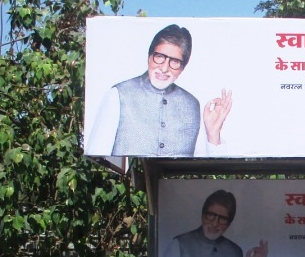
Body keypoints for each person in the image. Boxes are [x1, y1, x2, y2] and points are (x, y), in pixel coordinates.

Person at [86, 24, 233, 157]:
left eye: (174, 62)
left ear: (182, 68)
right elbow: (97, 159)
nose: (164, 68)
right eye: (160, 57)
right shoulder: (118, 95)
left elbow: (204, 172)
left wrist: (213, 134)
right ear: (149, 57)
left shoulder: (193, 104)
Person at [171, 190, 268, 257]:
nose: (215, 223)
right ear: (202, 215)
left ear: (228, 224)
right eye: (211, 215)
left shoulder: (236, 252)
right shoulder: (178, 244)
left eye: (222, 219)